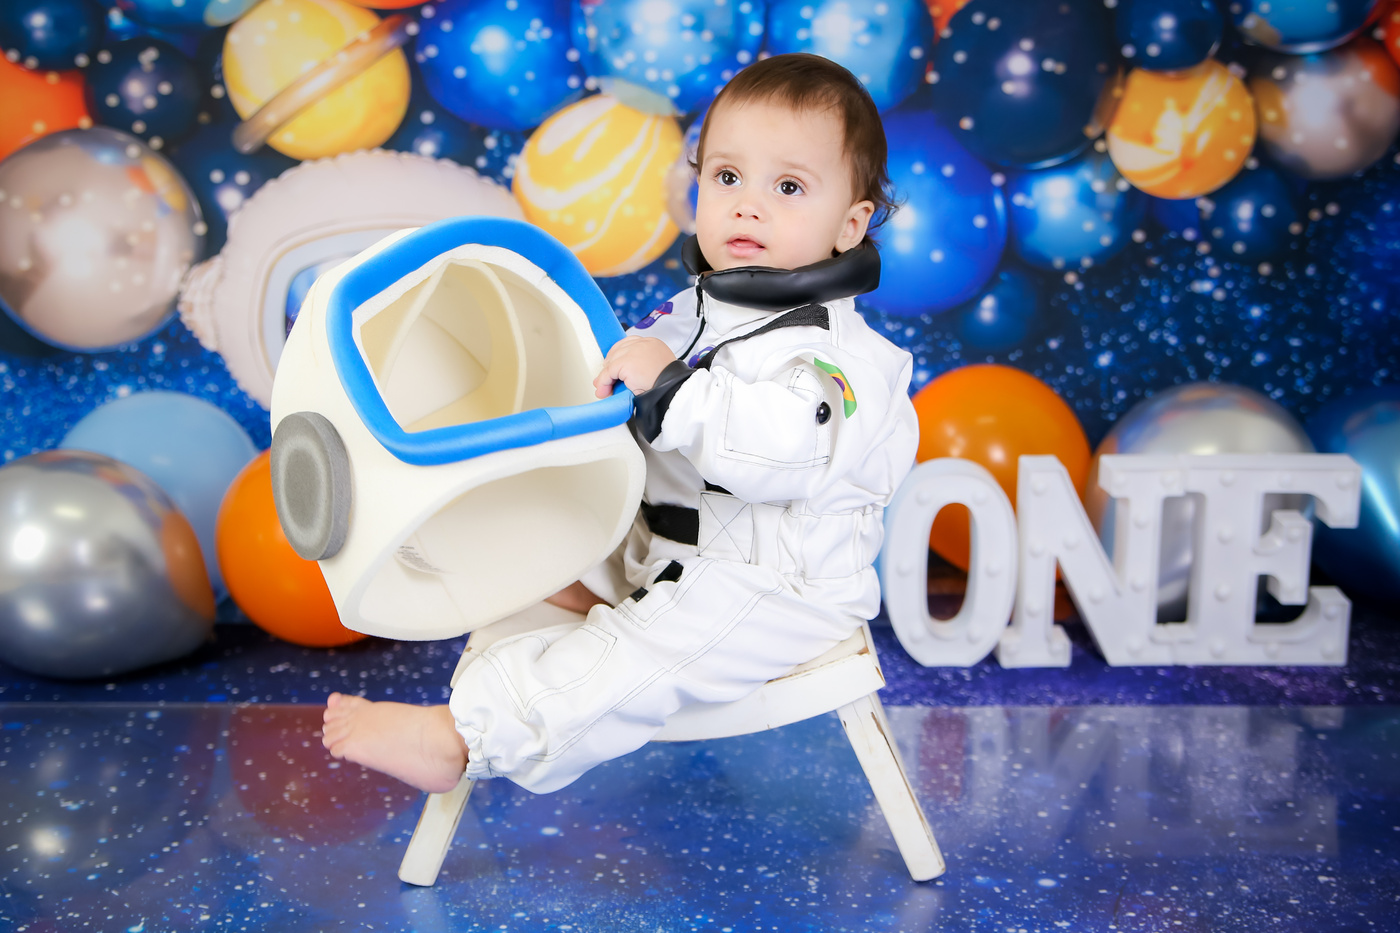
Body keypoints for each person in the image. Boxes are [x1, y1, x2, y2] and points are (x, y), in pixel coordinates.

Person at [321, 52, 919, 796]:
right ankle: (533, 595)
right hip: (659, 546)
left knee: (639, 654)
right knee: (531, 538)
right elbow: (621, 393)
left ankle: (465, 734)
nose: (747, 205)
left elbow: (780, 451)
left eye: (788, 187)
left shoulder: (837, 358)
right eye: (726, 177)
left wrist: (669, 388)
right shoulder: (693, 312)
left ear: (850, 226)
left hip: (769, 586)